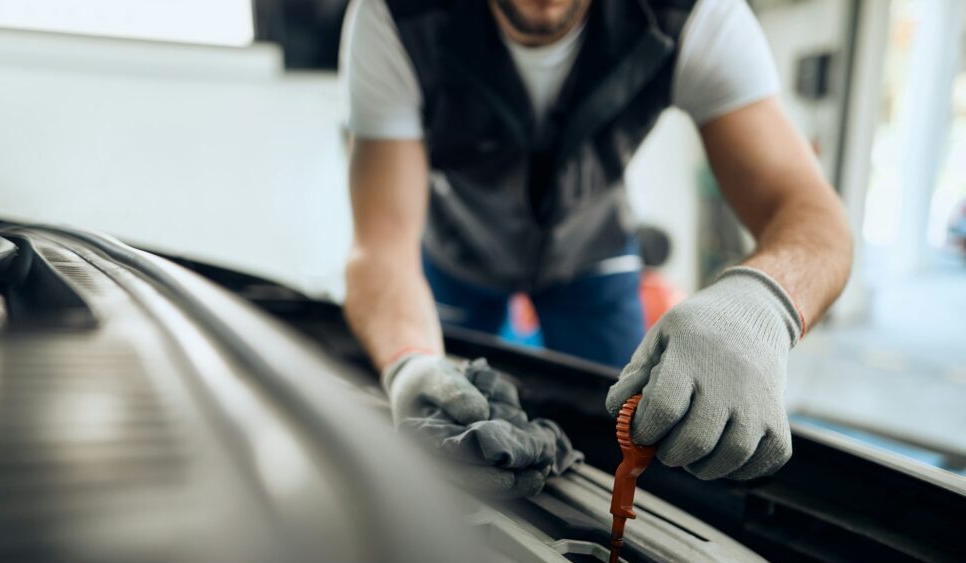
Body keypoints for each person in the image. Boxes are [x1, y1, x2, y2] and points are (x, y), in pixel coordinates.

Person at [340, 0, 852, 488]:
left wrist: (760, 304)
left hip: (594, 253)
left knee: (636, 438)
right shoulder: (397, 15)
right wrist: (409, 364)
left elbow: (813, 217)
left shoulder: (695, 13)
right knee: (440, 441)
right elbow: (381, 246)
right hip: (456, 256)